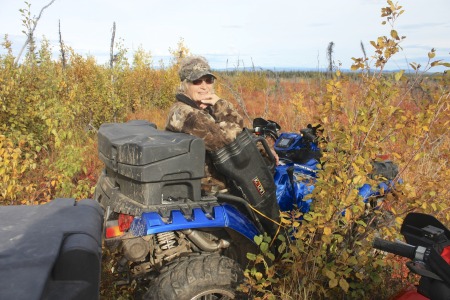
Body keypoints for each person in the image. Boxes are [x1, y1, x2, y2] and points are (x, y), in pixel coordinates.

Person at [165, 55, 244, 193]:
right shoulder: (187, 115)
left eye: (208, 80)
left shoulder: (199, 109)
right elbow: (225, 140)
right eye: (197, 81)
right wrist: (221, 105)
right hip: (207, 190)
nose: (204, 87)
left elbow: (237, 131)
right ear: (184, 85)